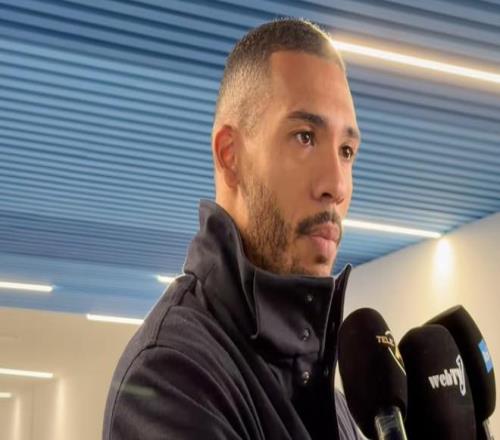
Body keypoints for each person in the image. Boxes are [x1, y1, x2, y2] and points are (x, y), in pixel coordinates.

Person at [103, 18, 363, 440]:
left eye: (347, 151)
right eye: (304, 137)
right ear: (230, 156)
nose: (337, 185)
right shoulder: (172, 376)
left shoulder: (329, 401)